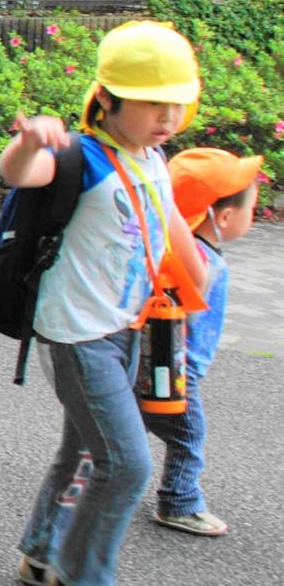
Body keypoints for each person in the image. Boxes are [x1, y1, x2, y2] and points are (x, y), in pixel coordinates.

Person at [2, 20, 208, 586]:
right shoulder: (82, 157)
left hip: (126, 328)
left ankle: (41, 554)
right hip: (76, 334)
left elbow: (167, 227)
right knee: (125, 465)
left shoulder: (154, 159)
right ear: (108, 99)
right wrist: (30, 141)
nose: (168, 118)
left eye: (177, 105)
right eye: (152, 104)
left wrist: (198, 289)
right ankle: (84, 575)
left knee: (86, 454)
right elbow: (19, 174)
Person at [141, 147, 262, 538]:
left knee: (121, 432)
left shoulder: (168, 249)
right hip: (175, 374)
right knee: (188, 437)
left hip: (139, 364)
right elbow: (187, 326)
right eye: (250, 210)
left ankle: (92, 485)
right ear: (223, 217)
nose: (252, 217)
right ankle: (179, 502)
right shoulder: (204, 264)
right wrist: (185, 377)